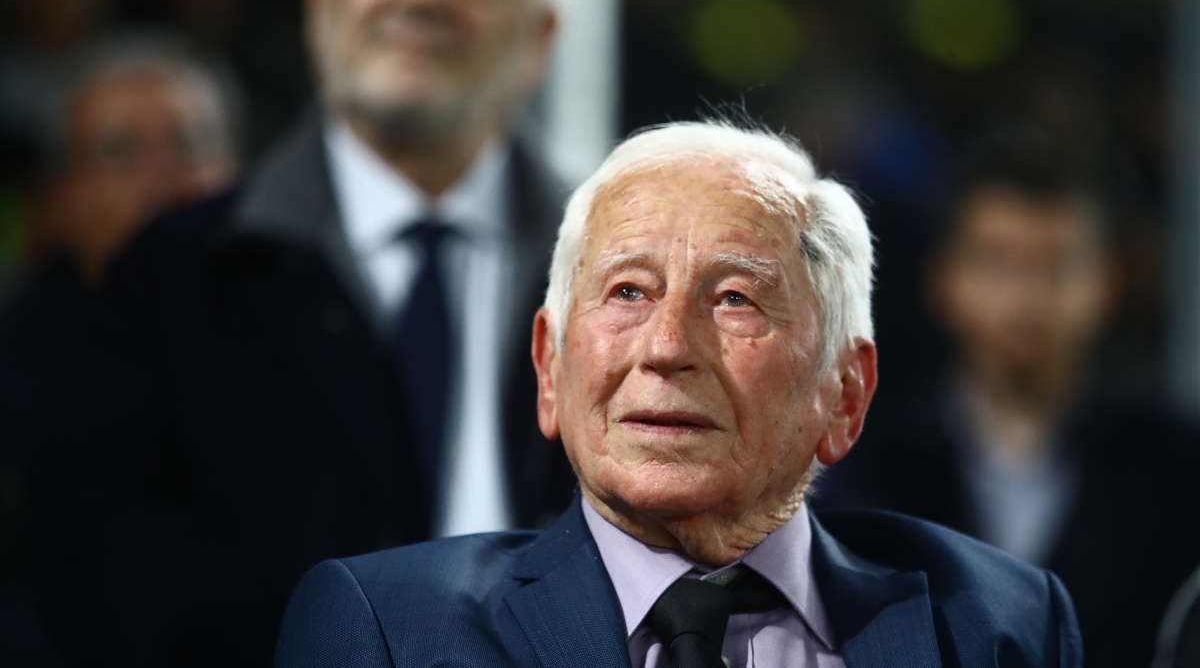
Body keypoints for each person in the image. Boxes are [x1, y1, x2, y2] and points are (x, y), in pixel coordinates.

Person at [275, 121, 1083, 668]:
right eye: (628, 291)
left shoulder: (999, 624)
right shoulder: (389, 629)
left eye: (734, 299)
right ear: (550, 369)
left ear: (844, 394)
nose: (665, 347)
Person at [26, 0, 573, 665]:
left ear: (540, 36)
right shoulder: (161, 283)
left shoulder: (630, 277)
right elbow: (102, 563)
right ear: (317, 10)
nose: (418, 0)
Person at [819, 131, 1200, 668]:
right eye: (998, 263)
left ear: (1109, 285)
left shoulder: (1177, 474)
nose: (1026, 297)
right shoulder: (862, 464)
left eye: (1057, 265)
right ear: (943, 281)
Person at [0, 34, 241, 667]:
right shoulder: (14, 371)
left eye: (188, 145)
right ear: (60, 196)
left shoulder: (303, 338)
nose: (160, 181)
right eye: (118, 153)